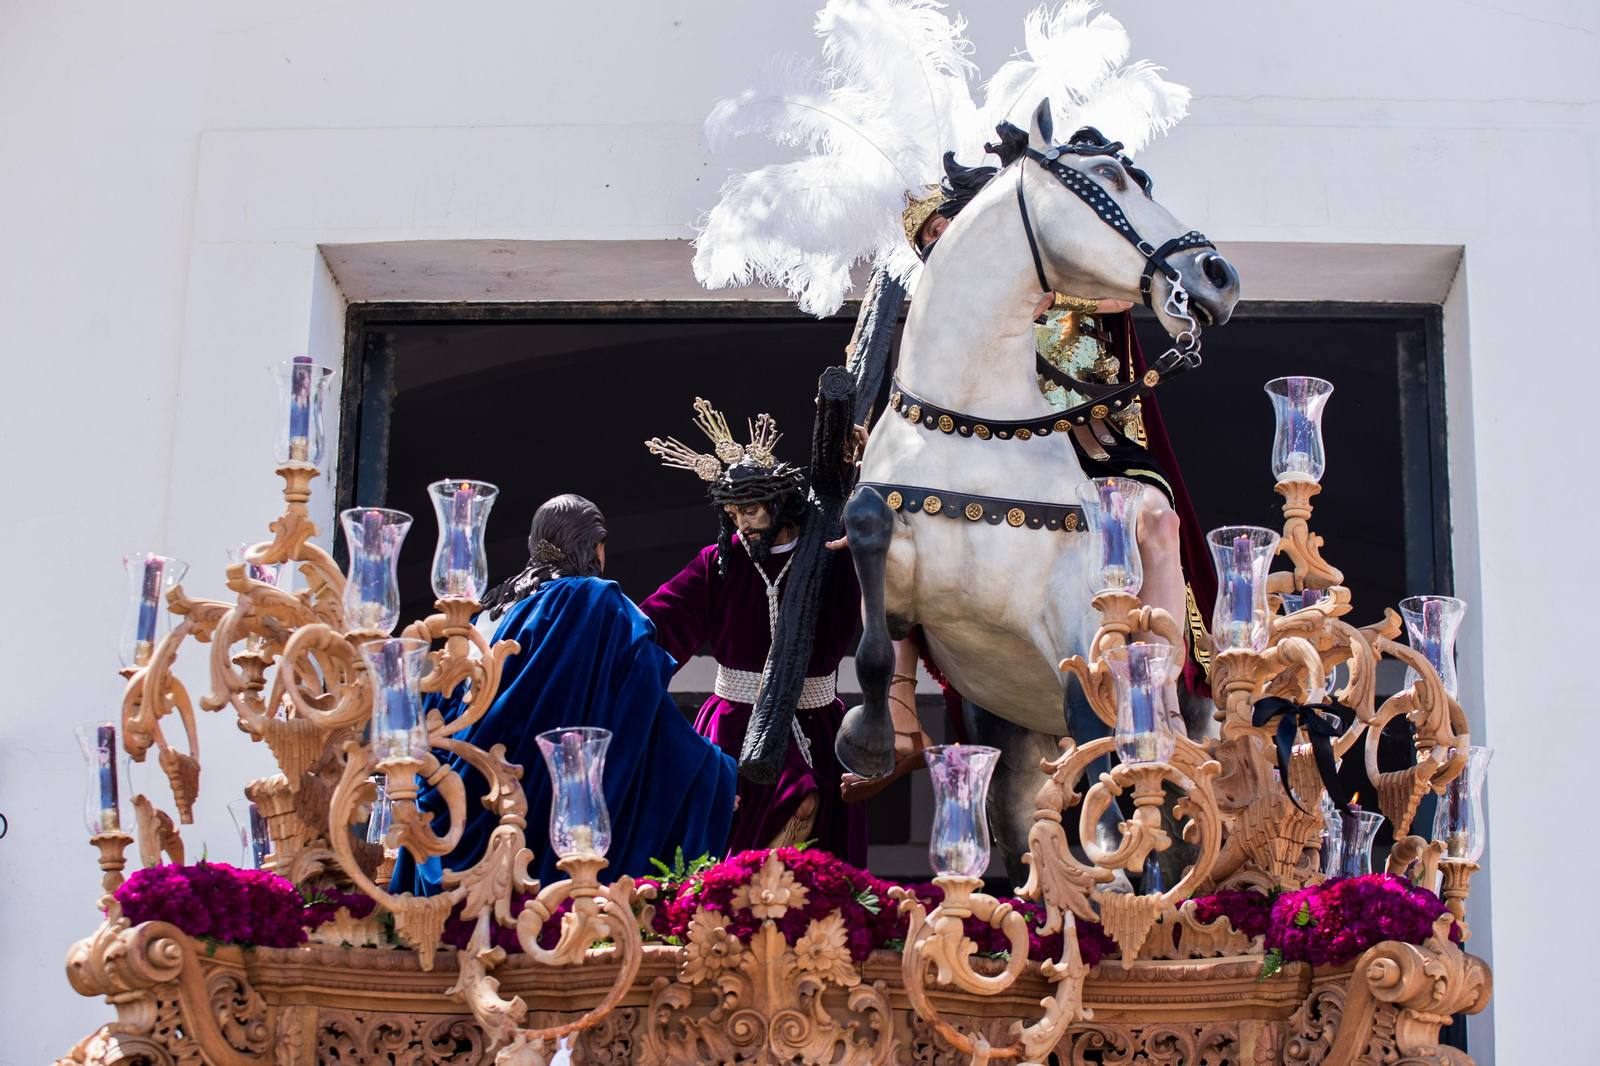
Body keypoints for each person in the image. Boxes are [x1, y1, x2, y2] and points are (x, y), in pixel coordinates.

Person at [390, 494, 737, 895]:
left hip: (465, 807)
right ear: (595, 545)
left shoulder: (489, 609)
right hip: (552, 819)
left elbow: (444, 705)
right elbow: (638, 706)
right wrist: (713, 770)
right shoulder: (595, 602)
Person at [640, 399, 870, 866]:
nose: (740, 524)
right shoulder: (717, 563)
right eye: (732, 513)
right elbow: (658, 622)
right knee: (731, 853)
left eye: (750, 511)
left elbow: (893, 597)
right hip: (735, 724)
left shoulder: (838, 556)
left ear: (781, 502)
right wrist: (605, 634)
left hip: (815, 724)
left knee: (814, 842)